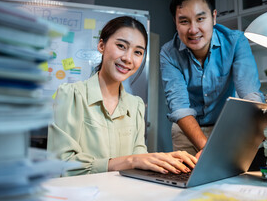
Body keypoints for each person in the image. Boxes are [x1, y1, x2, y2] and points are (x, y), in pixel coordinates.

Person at [47, 16, 197, 176]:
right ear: (101, 45)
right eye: (121, 46)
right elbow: (61, 164)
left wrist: (164, 159)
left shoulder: (136, 105)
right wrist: (130, 161)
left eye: (138, 52)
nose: (128, 58)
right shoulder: (71, 95)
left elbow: (139, 159)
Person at [160, 0, 264, 158]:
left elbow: (250, 96)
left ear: (214, 17)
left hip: (225, 128)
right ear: (175, 23)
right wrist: (209, 152)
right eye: (184, 21)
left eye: (200, 19)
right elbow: (180, 108)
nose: (193, 30)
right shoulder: (168, 53)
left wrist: (253, 133)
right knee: (187, 181)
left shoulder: (235, 41)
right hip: (186, 131)